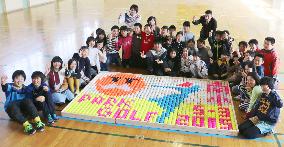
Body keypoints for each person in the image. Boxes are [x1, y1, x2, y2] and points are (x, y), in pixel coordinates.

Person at [1, 70, 45, 135]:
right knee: (12, 105)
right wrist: (3, 83)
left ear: (24, 80)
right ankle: (27, 126)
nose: (19, 80)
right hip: (14, 112)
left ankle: (38, 122)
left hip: (25, 112)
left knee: (28, 100)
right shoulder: (10, 86)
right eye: (17, 78)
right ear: (13, 79)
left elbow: (36, 87)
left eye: (21, 78)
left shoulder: (26, 88)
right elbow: (5, 87)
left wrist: (40, 97)